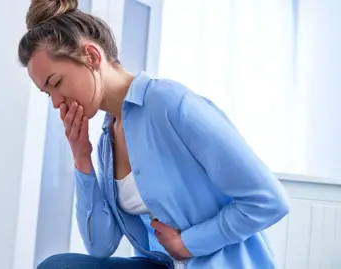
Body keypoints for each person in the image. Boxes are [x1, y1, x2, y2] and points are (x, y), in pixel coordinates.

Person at [18, 0, 290, 268]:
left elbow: (269, 200)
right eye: (47, 93)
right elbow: (101, 246)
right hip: (160, 265)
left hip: (219, 263)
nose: (55, 102)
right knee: (60, 266)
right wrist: (82, 159)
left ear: (92, 56)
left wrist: (188, 244)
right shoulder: (106, 140)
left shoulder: (169, 103)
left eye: (56, 83)